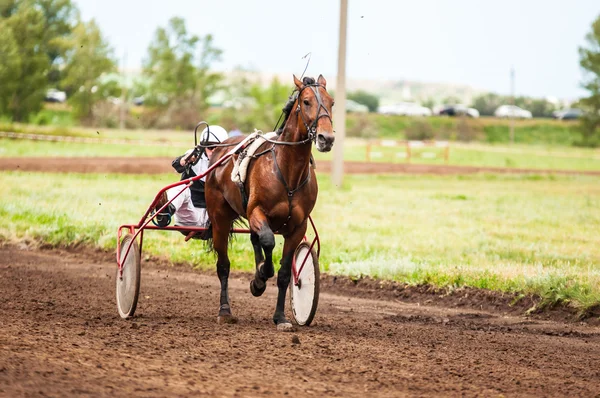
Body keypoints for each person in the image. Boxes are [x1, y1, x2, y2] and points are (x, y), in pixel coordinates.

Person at [154, 125, 229, 229]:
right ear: (203, 146)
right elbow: (176, 166)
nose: (213, 151)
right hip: (190, 215)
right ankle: (164, 214)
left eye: (218, 148)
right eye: (210, 147)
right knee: (181, 188)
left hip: (214, 219)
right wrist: (185, 160)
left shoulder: (229, 163)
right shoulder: (194, 156)